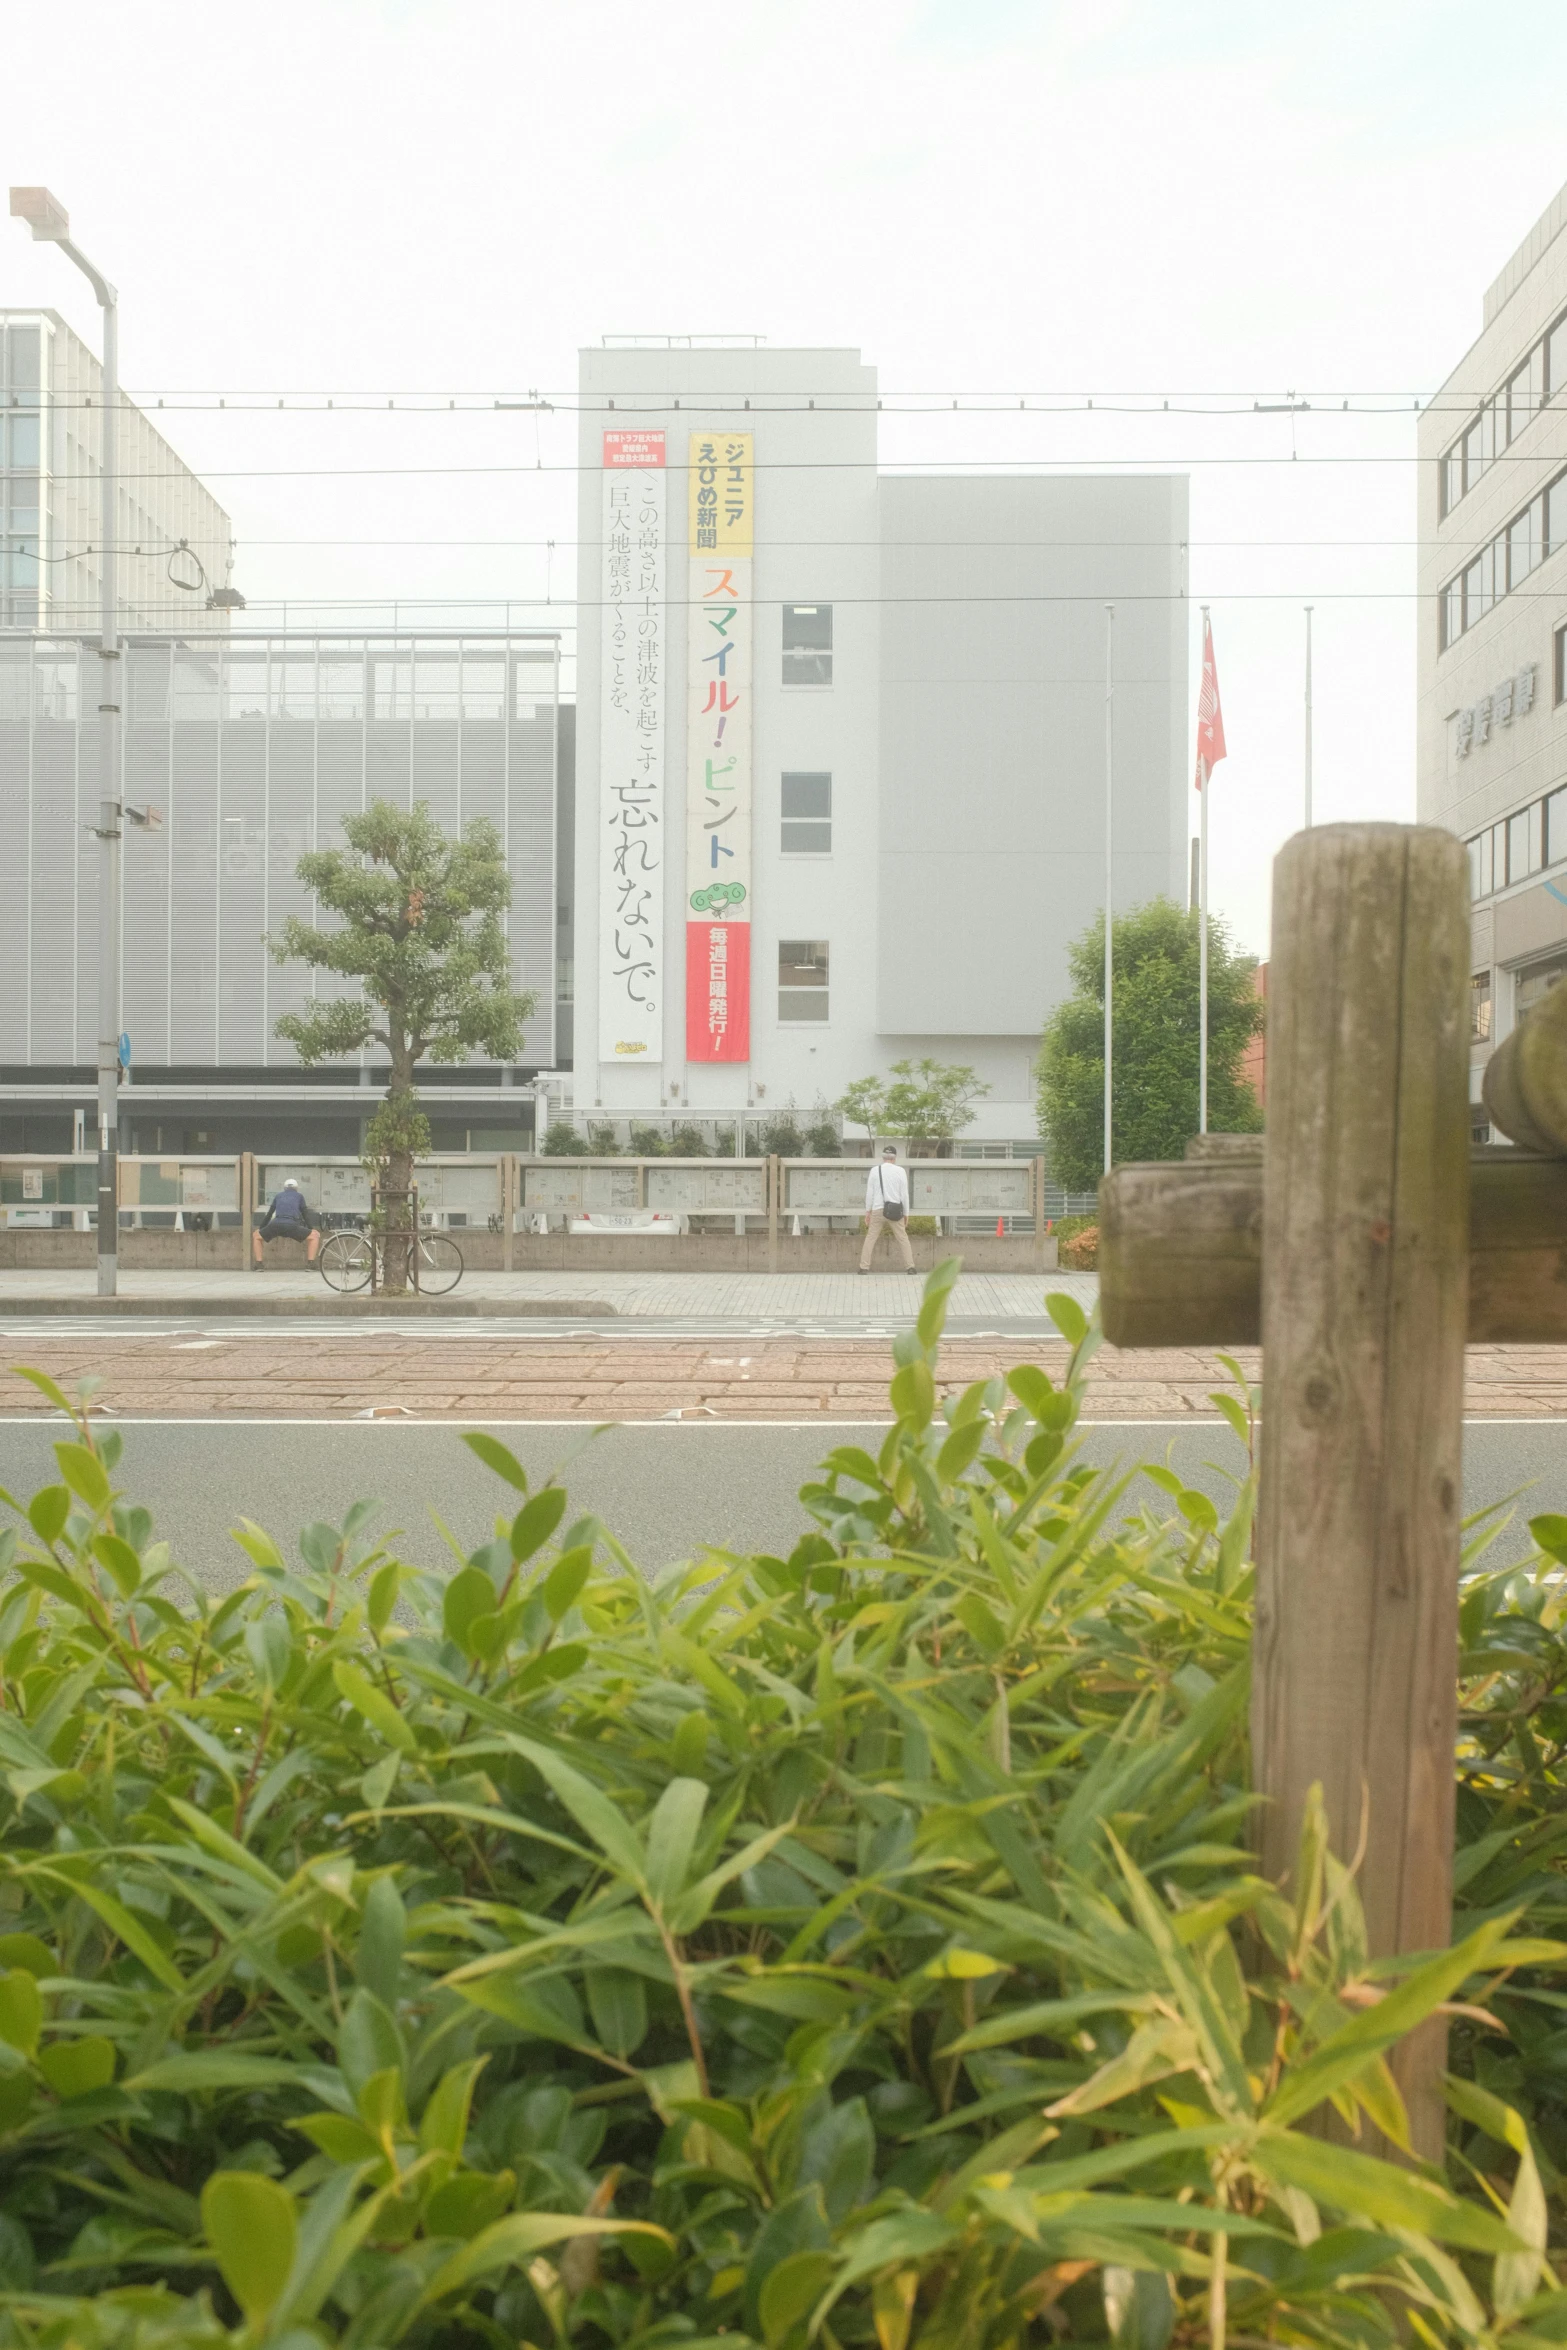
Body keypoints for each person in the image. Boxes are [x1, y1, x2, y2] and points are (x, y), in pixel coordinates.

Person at [860, 1144, 916, 1274]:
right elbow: (904, 1195)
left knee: (871, 1238)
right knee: (903, 1238)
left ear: (883, 1157)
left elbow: (870, 1193)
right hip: (896, 1211)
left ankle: (864, 1267)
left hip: (878, 1209)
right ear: (894, 1158)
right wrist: (906, 1213)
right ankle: (910, 1267)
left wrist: (868, 1211)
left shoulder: (875, 1170)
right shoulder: (900, 1171)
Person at [253, 1175, 321, 1264]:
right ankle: (311, 1263)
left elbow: (269, 1214)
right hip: (292, 1225)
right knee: (314, 1237)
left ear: (284, 1188)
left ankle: (259, 1264)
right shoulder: (299, 1196)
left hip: (276, 1225)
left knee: (256, 1237)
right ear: (296, 1188)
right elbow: (305, 1214)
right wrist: (312, 1229)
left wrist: (261, 1228)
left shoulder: (278, 1196)